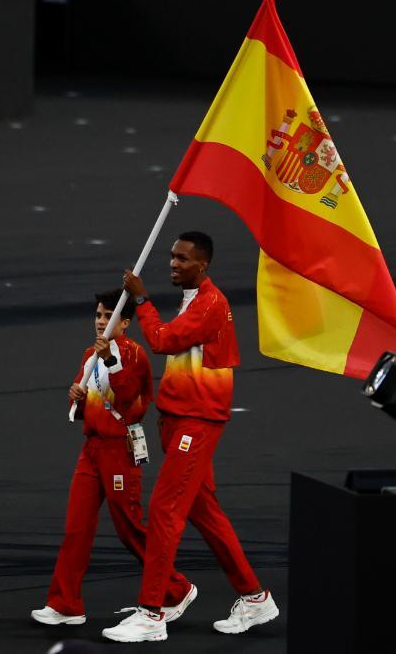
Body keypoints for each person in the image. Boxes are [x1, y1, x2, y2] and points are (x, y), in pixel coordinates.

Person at [101, 231, 277, 643]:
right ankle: (255, 598)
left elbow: (162, 340)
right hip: (180, 419)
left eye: (182, 259)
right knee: (205, 513)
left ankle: (151, 613)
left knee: (164, 510)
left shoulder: (211, 304)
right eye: (171, 257)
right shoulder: (194, 300)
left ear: (204, 265)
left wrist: (142, 301)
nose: (172, 264)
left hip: (196, 422)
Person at [31, 290, 196, 626]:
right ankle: (66, 604)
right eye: (98, 315)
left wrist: (110, 361)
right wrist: (75, 397)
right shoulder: (89, 354)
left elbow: (130, 401)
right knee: (76, 528)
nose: (101, 322)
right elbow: (84, 406)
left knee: (129, 529)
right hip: (91, 450)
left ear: (125, 322)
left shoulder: (134, 356)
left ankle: (177, 589)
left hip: (120, 450)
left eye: (109, 316)